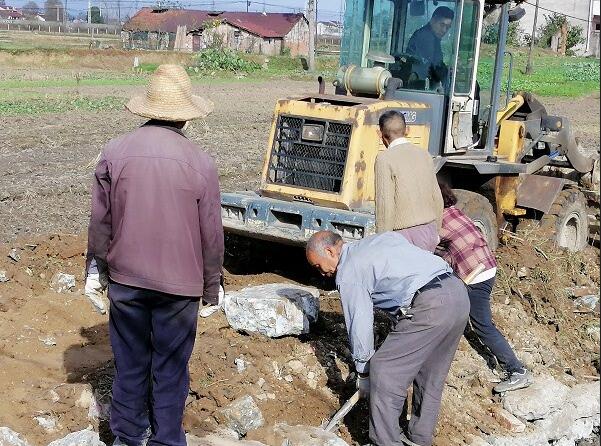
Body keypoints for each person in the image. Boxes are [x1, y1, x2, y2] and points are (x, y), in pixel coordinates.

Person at [84, 64, 224, 446]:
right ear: (186, 114)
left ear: (148, 108)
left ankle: (127, 437)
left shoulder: (115, 152)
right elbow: (211, 233)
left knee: (130, 365)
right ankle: (167, 440)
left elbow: (101, 221)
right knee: (170, 368)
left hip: (127, 279)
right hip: (180, 288)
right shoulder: (201, 163)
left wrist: (95, 270)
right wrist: (212, 286)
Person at [306, 230, 470, 446]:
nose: (322, 273)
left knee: (384, 369)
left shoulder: (349, 271)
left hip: (430, 306)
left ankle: (385, 442)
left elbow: (359, 323)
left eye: (319, 266)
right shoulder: (377, 241)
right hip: (457, 294)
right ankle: (419, 439)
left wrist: (363, 373)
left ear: (330, 251)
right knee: (431, 374)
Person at [435, 182, 533, 393]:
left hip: (476, 275)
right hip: (485, 267)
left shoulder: (441, 222)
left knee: (483, 326)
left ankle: (516, 371)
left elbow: (426, 245)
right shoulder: (454, 212)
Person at [375, 110, 443, 252]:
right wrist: (436, 231)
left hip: (404, 235)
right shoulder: (424, 154)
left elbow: (385, 205)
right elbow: (437, 196)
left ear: (381, 134)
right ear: (407, 130)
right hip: (429, 229)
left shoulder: (384, 159)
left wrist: (382, 242)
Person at [406, 6, 454, 84]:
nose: (444, 30)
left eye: (448, 27)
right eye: (442, 25)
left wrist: (448, 70)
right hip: (418, 85)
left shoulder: (433, 37)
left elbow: (437, 63)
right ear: (433, 20)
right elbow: (432, 68)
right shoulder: (425, 37)